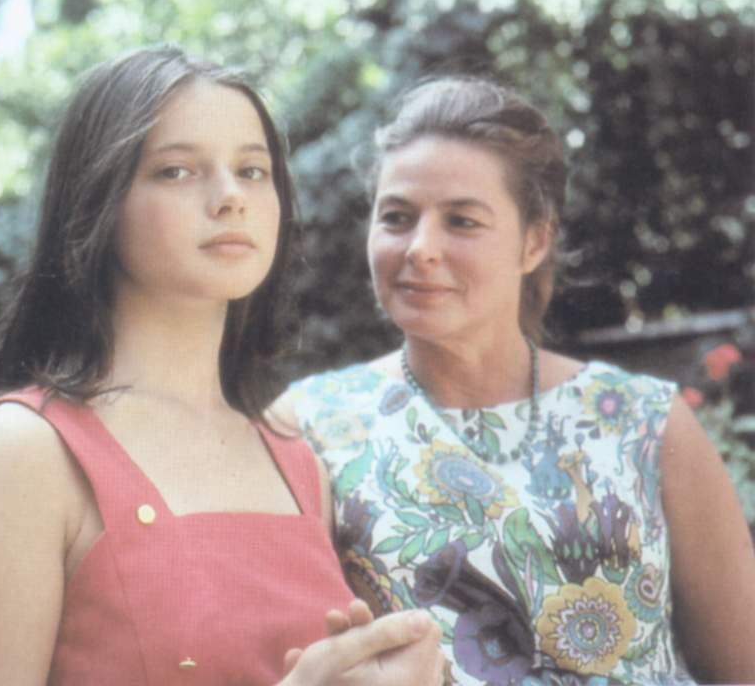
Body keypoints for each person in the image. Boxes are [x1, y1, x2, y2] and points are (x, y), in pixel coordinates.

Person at [0, 46, 444, 686]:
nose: (229, 198)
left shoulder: (300, 464)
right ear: (97, 201)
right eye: (178, 171)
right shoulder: (22, 452)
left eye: (252, 170)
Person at [272, 75, 755, 685]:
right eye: (397, 217)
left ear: (535, 240)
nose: (420, 247)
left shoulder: (646, 424)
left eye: (462, 221)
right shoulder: (308, 427)